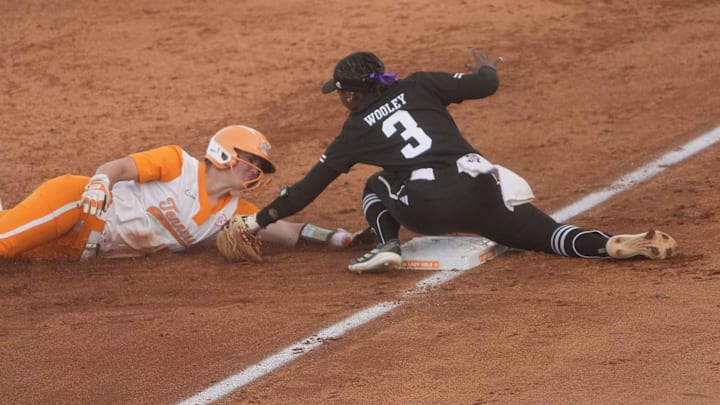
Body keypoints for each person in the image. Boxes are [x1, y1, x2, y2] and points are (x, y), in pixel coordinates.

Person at [239, 49, 678, 273]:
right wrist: (485, 65)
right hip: (482, 187)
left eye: (340, 93)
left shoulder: (354, 132)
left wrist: (259, 221)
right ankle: (609, 244)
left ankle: (388, 244)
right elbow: (485, 84)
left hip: (427, 208)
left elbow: (308, 188)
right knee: (547, 234)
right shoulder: (421, 84)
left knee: (376, 184)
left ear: (352, 93)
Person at [0, 125, 360, 262]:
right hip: (77, 205)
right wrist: (99, 181)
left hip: (80, 249)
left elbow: (287, 231)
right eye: (251, 161)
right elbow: (120, 168)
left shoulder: (234, 212)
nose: (255, 171)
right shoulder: (176, 163)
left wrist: (341, 238)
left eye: (260, 168)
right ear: (224, 154)